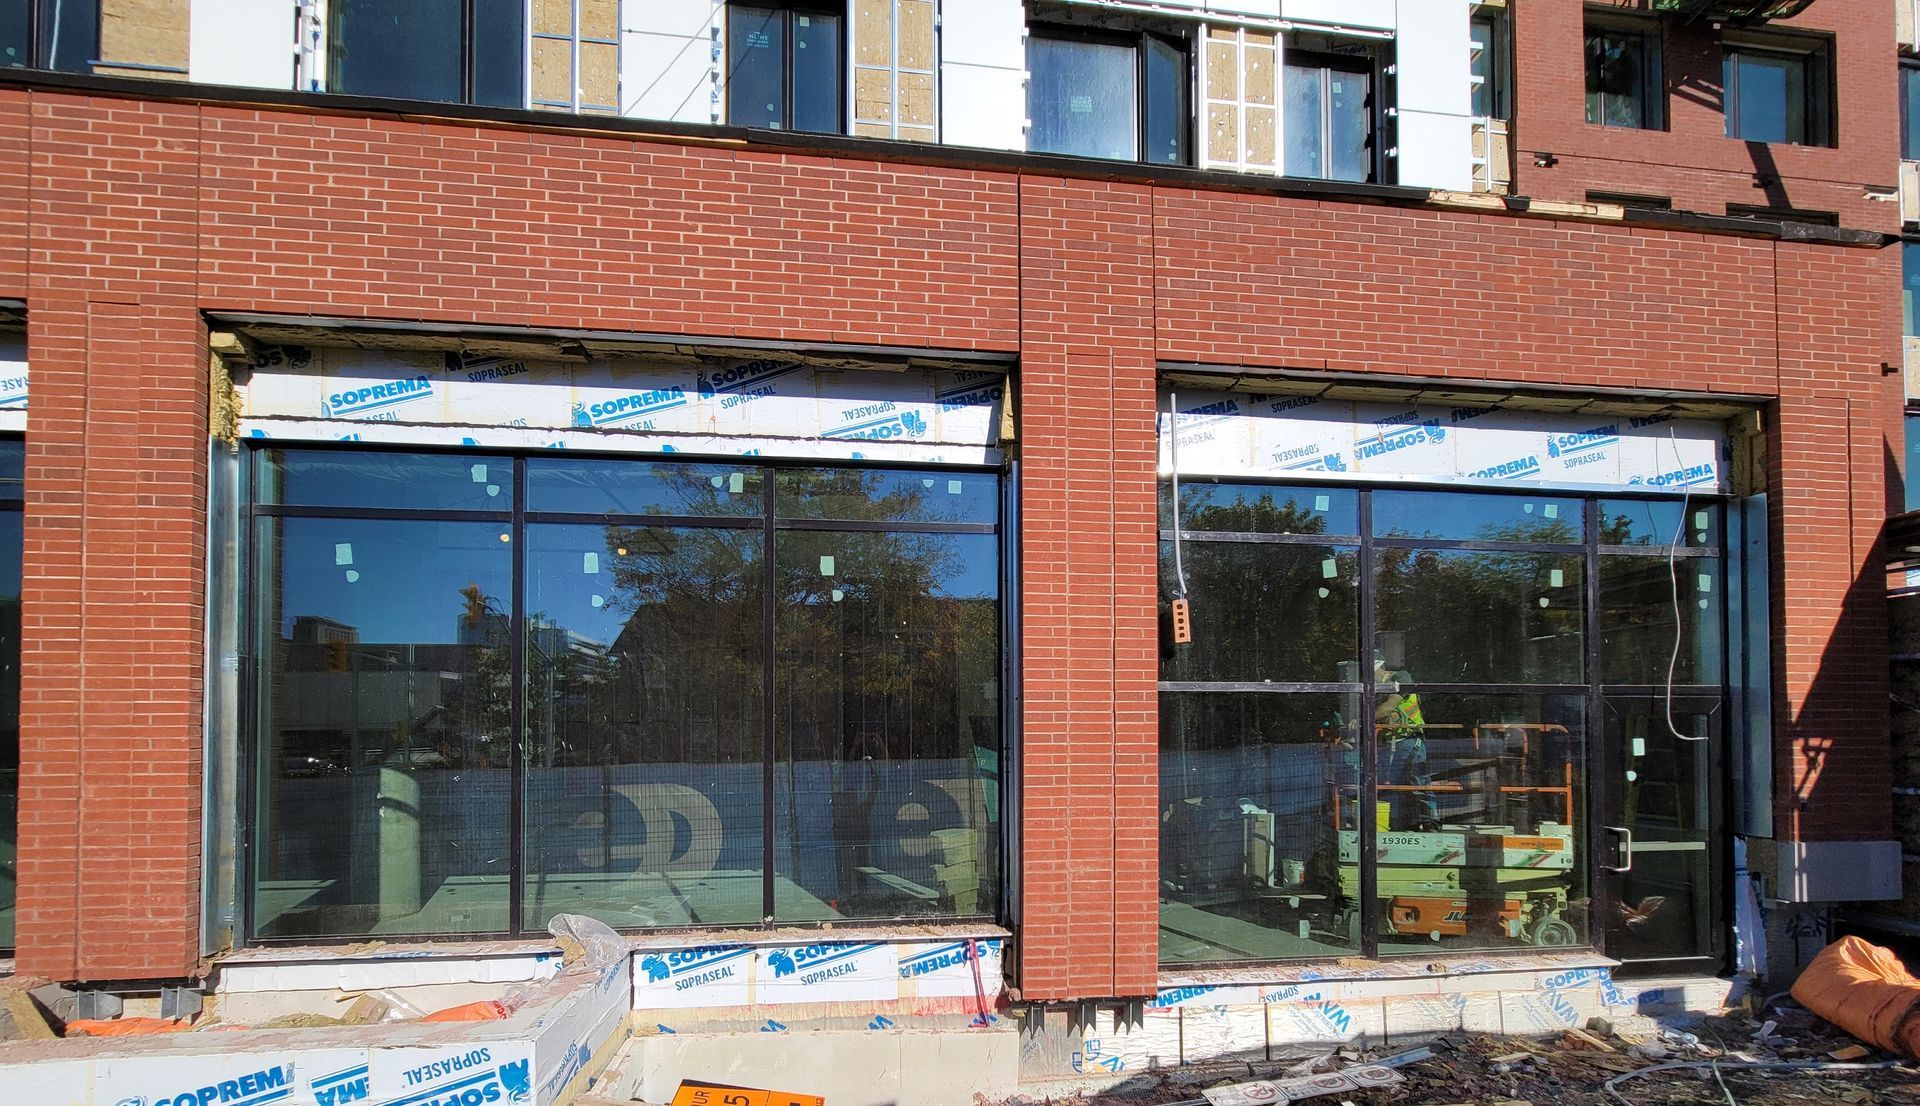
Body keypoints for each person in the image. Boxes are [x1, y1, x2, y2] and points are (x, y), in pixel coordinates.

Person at [1374, 658, 1438, 828]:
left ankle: (1429, 821)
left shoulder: (1401, 678)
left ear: (1379, 666)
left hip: (1410, 739)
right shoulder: (1377, 690)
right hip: (1392, 743)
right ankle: (1403, 822)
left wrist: (1361, 718)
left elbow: (1389, 707)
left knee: (1419, 782)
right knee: (1395, 784)